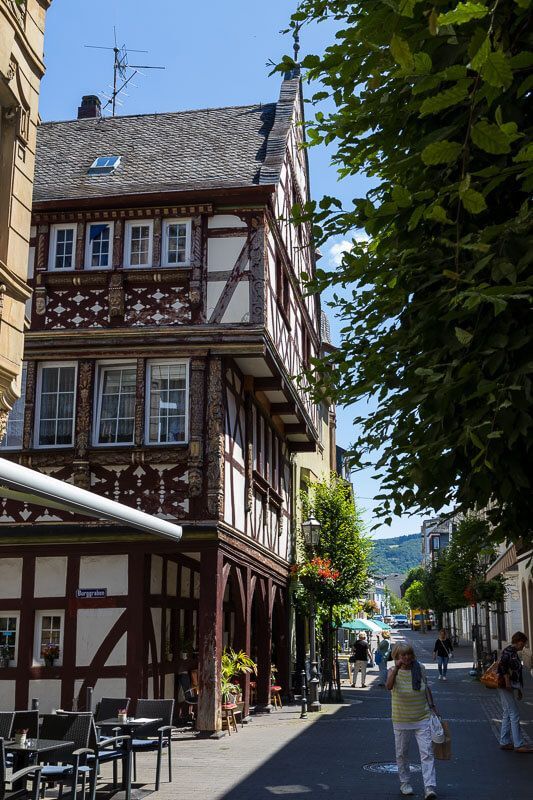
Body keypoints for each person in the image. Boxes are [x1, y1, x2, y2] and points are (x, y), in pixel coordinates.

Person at [386, 642, 437, 799]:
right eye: (403, 655)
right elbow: (388, 686)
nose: (406, 657)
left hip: (422, 716)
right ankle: (405, 783)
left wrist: (433, 706)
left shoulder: (420, 667)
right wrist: (396, 668)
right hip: (401, 718)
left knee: (427, 753)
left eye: (408, 654)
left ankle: (429, 787)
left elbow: (426, 687)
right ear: (397, 656)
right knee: (402, 753)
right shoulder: (391, 669)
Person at [497, 631, 533, 753]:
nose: (524, 646)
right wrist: (507, 682)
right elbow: (503, 667)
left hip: (509, 686)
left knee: (507, 712)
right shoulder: (509, 652)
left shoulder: (512, 652)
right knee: (514, 713)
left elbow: (515, 672)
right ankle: (518, 744)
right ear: (519, 642)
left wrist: (518, 689)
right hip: (505, 686)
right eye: (523, 644)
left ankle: (505, 741)